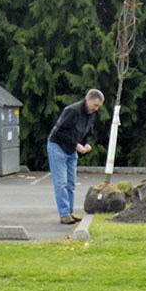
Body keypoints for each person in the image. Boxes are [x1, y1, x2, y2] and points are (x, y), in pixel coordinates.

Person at [47, 89, 104, 224]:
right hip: (58, 147)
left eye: (98, 107)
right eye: (95, 105)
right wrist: (76, 145)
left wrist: (87, 143)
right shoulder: (72, 111)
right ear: (88, 100)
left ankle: (70, 212)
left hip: (71, 149)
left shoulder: (91, 114)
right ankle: (64, 213)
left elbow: (89, 132)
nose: (96, 109)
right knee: (61, 183)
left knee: (71, 183)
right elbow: (60, 131)